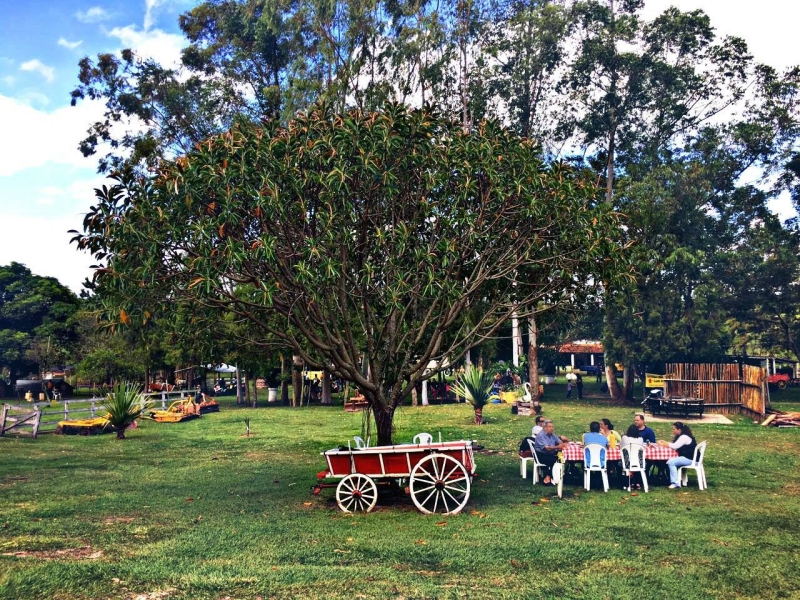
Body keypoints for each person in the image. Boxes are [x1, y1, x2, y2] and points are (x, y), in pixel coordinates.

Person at [659, 422, 698, 489]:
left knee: (671, 462)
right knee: (671, 461)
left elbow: (675, 446)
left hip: (690, 459)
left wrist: (665, 444)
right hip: (690, 457)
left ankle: (675, 483)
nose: (673, 431)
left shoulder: (684, 437)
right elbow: (675, 444)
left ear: (679, 430)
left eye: (674, 429)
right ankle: (672, 479)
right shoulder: (682, 436)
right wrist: (666, 443)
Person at [533, 420, 569, 485]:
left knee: (563, 459)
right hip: (542, 455)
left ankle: (561, 476)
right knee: (556, 460)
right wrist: (558, 446)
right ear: (544, 428)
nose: (552, 428)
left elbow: (559, 441)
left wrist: (560, 444)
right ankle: (548, 477)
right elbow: (547, 448)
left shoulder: (552, 434)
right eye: (549, 427)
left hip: (551, 453)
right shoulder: (541, 435)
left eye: (552, 427)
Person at [620, 424, 645, 490]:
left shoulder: (624, 438)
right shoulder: (640, 439)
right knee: (644, 464)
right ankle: (637, 482)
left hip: (626, 462)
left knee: (619, 463)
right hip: (639, 462)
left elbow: (621, 447)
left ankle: (626, 482)